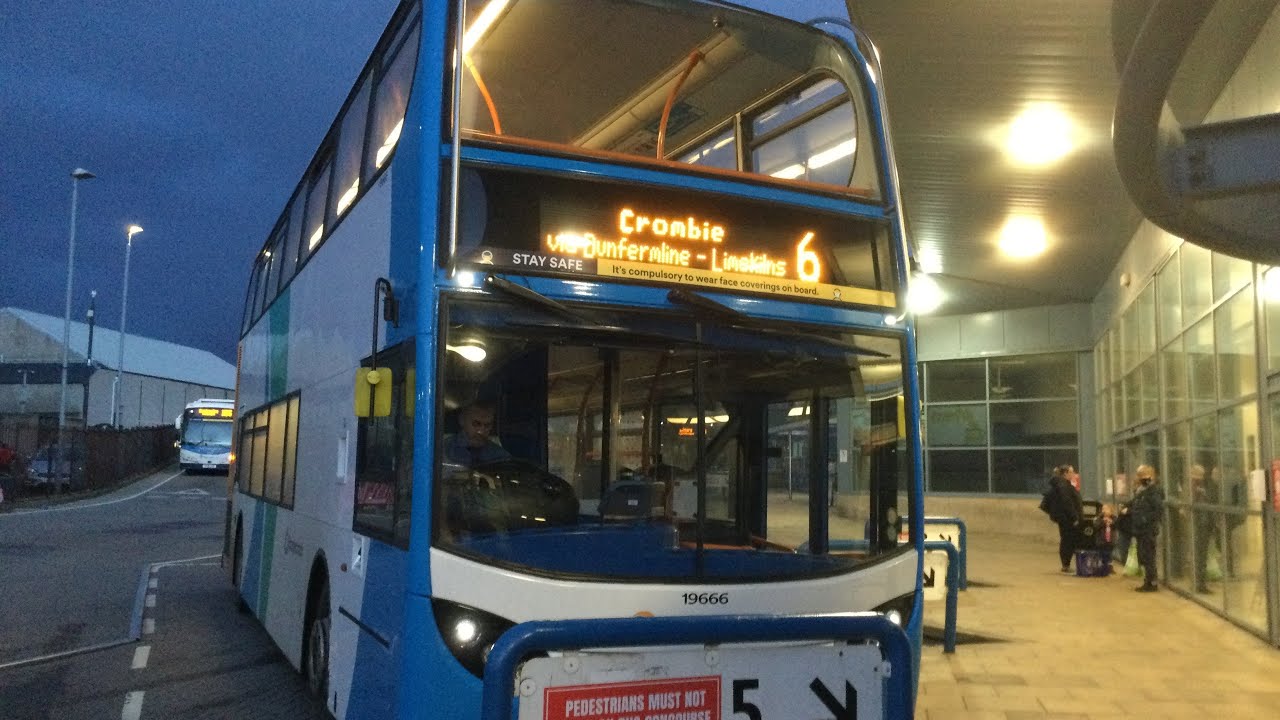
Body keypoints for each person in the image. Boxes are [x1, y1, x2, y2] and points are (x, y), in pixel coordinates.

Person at [1129, 463, 1165, 592]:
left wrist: (1145, 519)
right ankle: (1147, 580)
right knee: (1143, 555)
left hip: (1148, 529)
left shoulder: (1153, 491)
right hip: (1140, 528)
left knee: (1149, 555)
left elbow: (1158, 509)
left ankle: (1152, 582)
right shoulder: (1141, 491)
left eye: (1143, 475)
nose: (1139, 478)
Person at [443, 402, 510, 468]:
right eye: (476, 424)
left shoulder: (500, 456)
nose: (481, 431)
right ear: (462, 421)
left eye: (487, 425)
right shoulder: (442, 451)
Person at [1046, 464, 1084, 573]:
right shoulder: (1063, 486)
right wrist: (1074, 517)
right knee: (1067, 540)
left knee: (1067, 540)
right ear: (1065, 473)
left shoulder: (1064, 484)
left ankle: (1066, 564)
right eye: (1071, 472)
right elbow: (1067, 503)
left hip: (1066, 518)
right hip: (1067, 519)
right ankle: (1066, 564)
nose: (1073, 474)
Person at [1189, 463, 1221, 594]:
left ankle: (1199, 582)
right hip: (1201, 526)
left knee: (1199, 555)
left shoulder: (1197, 487)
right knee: (1200, 556)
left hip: (1201, 526)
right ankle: (1199, 584)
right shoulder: (1196, 488)